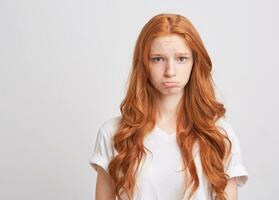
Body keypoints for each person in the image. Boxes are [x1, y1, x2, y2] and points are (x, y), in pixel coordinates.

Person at [89, 13, 249, 200]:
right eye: (158, 59)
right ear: (144, 64)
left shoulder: (220, 135)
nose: (170, 72)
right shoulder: (114, 134)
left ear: (194, 63)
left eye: (181, 58)